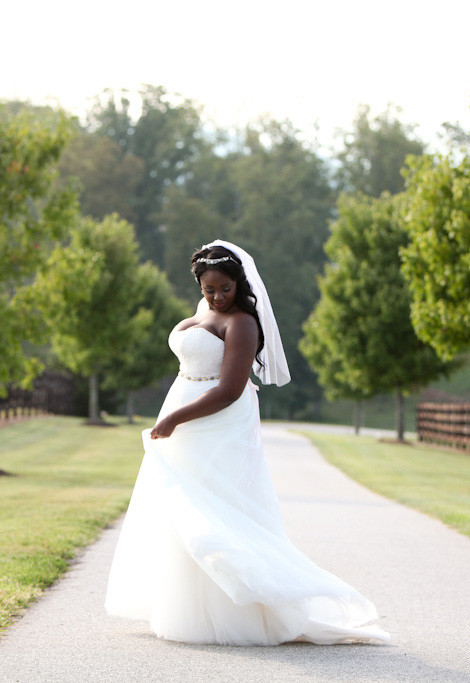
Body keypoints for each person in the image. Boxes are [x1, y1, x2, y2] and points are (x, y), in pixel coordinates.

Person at [105, 239, 390, 646]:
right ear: (200, 286)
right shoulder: (204, 311)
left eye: (226, 289)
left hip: (214, 423)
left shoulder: (241, 323)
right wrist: (173, 416)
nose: (218, 297)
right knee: (180, 509)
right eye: (209, 289)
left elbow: (230, 390)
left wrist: (173, 418)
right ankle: (187, 608)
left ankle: (246, 610)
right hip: (186, 413)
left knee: (214, 510)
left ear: (239, 284)